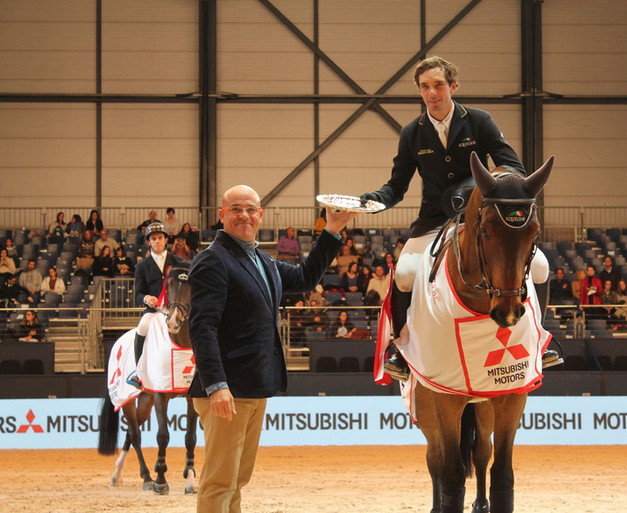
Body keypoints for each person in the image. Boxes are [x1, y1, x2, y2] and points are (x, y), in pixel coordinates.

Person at [358, 56, 558, 377]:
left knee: (540, 265)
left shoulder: (480, 121)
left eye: (438, 85)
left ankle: (541, 341)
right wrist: (368, 202)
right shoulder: (412, 133)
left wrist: (484, 186)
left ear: (453, 86)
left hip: (482, 218)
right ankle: (401, 347)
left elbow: (514, 169)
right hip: (435, 218)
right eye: (425, 87)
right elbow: (396, 187)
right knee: (406, 272)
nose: (432, 93)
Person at [187, 184, 356, 513]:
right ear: (222, 215)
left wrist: (332, 230)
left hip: (253, 385)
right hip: (227, 389)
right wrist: (216, 384)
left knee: (237, 479)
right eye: (236, 209)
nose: (244, 215)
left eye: (251, 209)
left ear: (261, 215)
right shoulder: (212, 260)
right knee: (220, 481)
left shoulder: (261, 260)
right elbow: (202, 326)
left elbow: (306, 278)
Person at [125, 222, 185, 389]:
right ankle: (138, 372)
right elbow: (137, 293)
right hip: (154, 310)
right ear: (148, 242)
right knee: (142, 327)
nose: (157, 241)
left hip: (175, 309)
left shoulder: (179, 262)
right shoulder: (142, 266)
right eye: (153, 239)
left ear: (166, 240)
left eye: (160, 238)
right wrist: (146, 299)